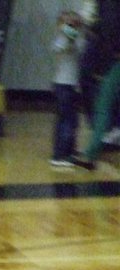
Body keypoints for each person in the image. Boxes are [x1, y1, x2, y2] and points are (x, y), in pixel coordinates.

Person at [74, 0, 120, 170]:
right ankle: (91, 152)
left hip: (114, 57)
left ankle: (91, 154)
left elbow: (110, 25)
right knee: (103, 103)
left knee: (103, 104)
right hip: (112, 56)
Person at [50, 10, 86, 168]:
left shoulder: (79, 39)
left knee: (72, 121)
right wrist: (67, 33)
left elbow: (81, 49)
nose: (72, 26)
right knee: (65, 120)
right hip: (63, 84)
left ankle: (70, 150)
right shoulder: (61, 39)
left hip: (73, 85)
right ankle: (59, 155)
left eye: (75, 23)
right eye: (68, 23)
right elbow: (61, 48)